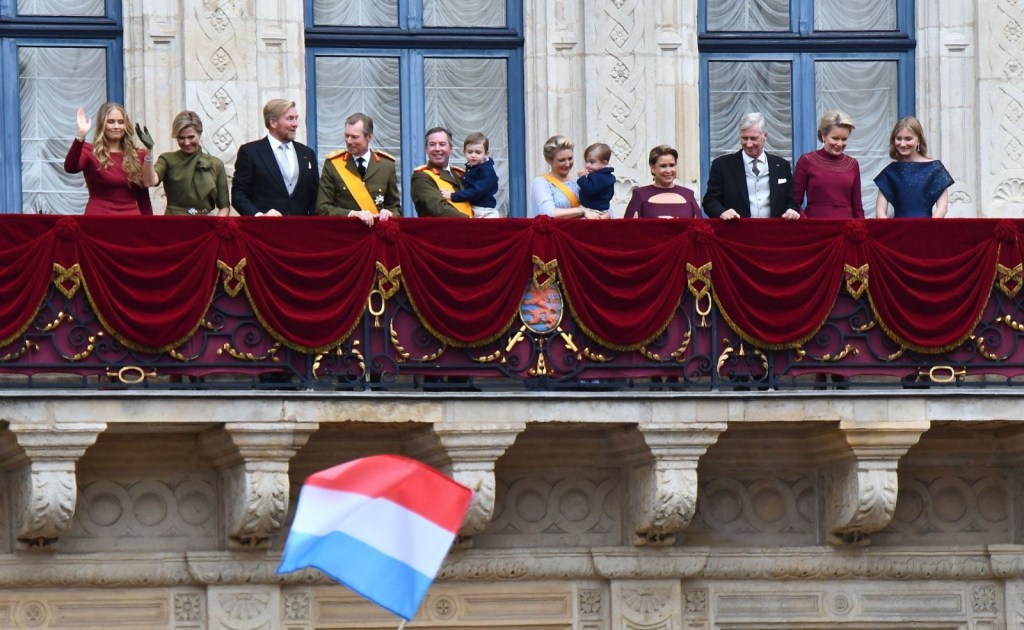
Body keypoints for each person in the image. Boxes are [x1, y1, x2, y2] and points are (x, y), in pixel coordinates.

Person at [702, 112, 800, 221]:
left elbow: (792, 200)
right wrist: (722, 212)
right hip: (736, 232)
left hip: (773, 233)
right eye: (744, 138)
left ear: (765, 136)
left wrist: (791, 210)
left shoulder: (782, 166)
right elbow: (710, 201)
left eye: (753, 138)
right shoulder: (722, 165)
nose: (748, 144)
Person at [64, 101, 157, 215]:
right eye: (111, 122)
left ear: (126, 125)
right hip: (99, 219)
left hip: (132, 222)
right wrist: (80, 137)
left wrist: (149, 226)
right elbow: (70, 168)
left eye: (121, 122)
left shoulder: (139, 155)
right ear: (102, 124)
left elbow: (143, 198)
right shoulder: (90, 151)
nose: (116, 126)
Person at [231, 99, 319, 217]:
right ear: (273, 122)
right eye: (290, 118)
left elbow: (315, 195)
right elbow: (238, 194)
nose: (295, 124)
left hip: (300, 230)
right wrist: (259, 216)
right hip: (264, 230)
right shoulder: (250, 152)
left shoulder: (307, 154)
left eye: (296, 118)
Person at [316, 112, 401, 226]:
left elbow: (395, 208)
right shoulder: (333, 165)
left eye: (355, 137)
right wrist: (351, 214)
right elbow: (322, 208)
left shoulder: (386, 166)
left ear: (369, 137)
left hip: (376, 235)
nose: (349, 141)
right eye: (347, 136)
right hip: (345, 233)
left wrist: (389, 213)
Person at [874, 116, 954, 219]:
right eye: (899, 138)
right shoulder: (890, 171)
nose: (902, 144)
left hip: (927, 230)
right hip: (898, 231)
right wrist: (890, 231)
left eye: (908, 139)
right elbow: (880, 212)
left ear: (919, 140)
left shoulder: (935, 169)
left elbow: (942, 208)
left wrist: (928, 228)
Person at [153, 111, 229, 216]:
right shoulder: (167, 159)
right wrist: (148, 154)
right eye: (181, 138)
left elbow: (224, 206)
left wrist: (218, 227)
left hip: (206, 225)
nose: (186, 142)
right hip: (174, 224)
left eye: (191, 137)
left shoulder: (216, 164)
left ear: (200, 134)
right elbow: (151, 181)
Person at [792, 110, 865, 219]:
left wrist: (860, 230)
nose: (840, 144)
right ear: (823, 136)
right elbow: (794, 201)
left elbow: (857, 206)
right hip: (816, 228)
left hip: (846, 228)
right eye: (835, 138)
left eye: (844, 139)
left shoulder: (852, 164)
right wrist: (806, 223)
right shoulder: (806, 161)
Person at [529, 135, 603, 219]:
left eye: (570, 158)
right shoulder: (541, 182)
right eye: (562, 160)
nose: (567, 164)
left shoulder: (581, 181)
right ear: (549, 160)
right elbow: (547, 213)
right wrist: (582, 211)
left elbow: (604, 207)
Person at [624, 145, 701, 218]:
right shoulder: (640, 195)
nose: (668, 170)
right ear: (652, 168)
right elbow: (627, 228)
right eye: (663, 166)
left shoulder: (688, 195)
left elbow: (702, 227)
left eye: (672, 165)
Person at [410, 127, 472, 218]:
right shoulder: (421, 177)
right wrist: (472, 222)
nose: (437, 148)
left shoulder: (460, 175)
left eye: (442, 144)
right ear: (426, 149)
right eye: (432, 144)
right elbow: (439, 208)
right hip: (441, 230)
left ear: (451, 149)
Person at [441, 132, 499, 218]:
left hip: (485, 211)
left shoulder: (487, 171)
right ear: (464, 152)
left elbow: (477, 191)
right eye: (470, 152)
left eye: (478, 152)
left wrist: (452, 196)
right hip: (474, 208)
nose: (473, 155)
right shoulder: (472, 167)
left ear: (486, 153)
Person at [576, 142, 615, 216]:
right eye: (586, 162)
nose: (587, 165)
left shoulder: (600, 177)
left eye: (591, 162)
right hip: (600, 209)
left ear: (604, 163)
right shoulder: (606, 176)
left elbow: (589, 190)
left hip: (594, 210)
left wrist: (582, 178)